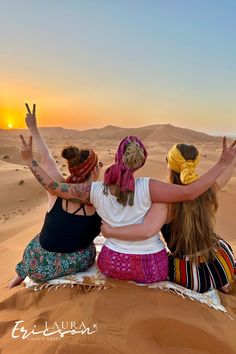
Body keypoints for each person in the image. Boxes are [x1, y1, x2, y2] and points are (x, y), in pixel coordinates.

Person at [19, 112, 236, 283]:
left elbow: (54, 186)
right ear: (140, 163)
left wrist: (29, 160)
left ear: (117, 157)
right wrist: (223, 163)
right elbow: (189, 193)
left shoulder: (94, 191)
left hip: (112, 264)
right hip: (154, 269)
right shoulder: (151, 189)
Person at [101, 143, 236, 292]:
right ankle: (222, 282)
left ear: (169, 165)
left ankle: (212, 281)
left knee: (163, 260)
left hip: (193, 275)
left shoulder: (164, 202)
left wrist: (111, 232)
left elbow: (147, 230)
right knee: (217, 240)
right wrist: (228, 160)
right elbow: (227, 172)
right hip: (223, 262)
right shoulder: (207, 190)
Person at [9, 104, 102, 288]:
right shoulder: (99, 197)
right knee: (90, 248)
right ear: (93, 170)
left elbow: (47, 160)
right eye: (99, 164)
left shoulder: (58, 189)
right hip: (75, 262)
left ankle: (14, 283)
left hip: (38, 266)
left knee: (38, 242)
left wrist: (33, 130)